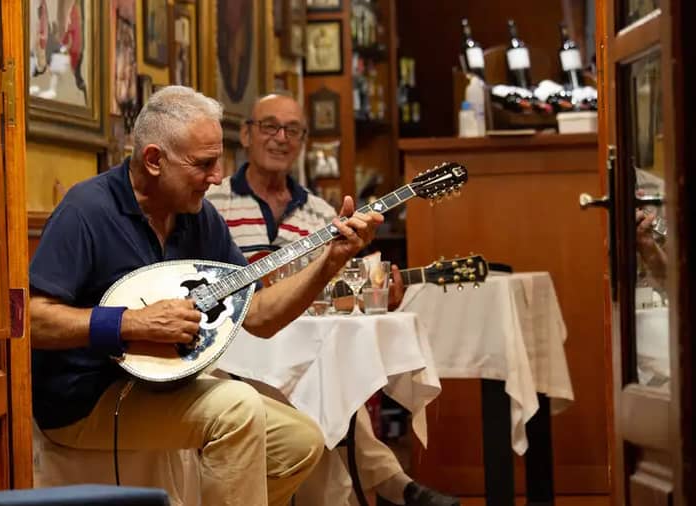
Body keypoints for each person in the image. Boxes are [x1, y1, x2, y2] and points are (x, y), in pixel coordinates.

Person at [28, 86, 383, 506]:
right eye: (204, 164)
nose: (217, 177)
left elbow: (260, 315)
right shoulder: (88, 209)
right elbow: (32, 319)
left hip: (162, 388)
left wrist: (328, 262)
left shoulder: (198, 217)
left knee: (300, 442)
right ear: (154, 160)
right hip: (84, 401)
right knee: (237, 406)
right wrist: (129, 323)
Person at [206, 93, 460, 506]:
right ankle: (395, 485)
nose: (281, 138)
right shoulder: (212, 205)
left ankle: (390, 487)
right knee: (316, 397)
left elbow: (337, 297)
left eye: (293, 130)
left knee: (322, 385)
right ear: (247, 135)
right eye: (270, 126)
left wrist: (379, 294)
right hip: (234, 352)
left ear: (303, 141)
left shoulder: (323, 215)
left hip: (298, 351)